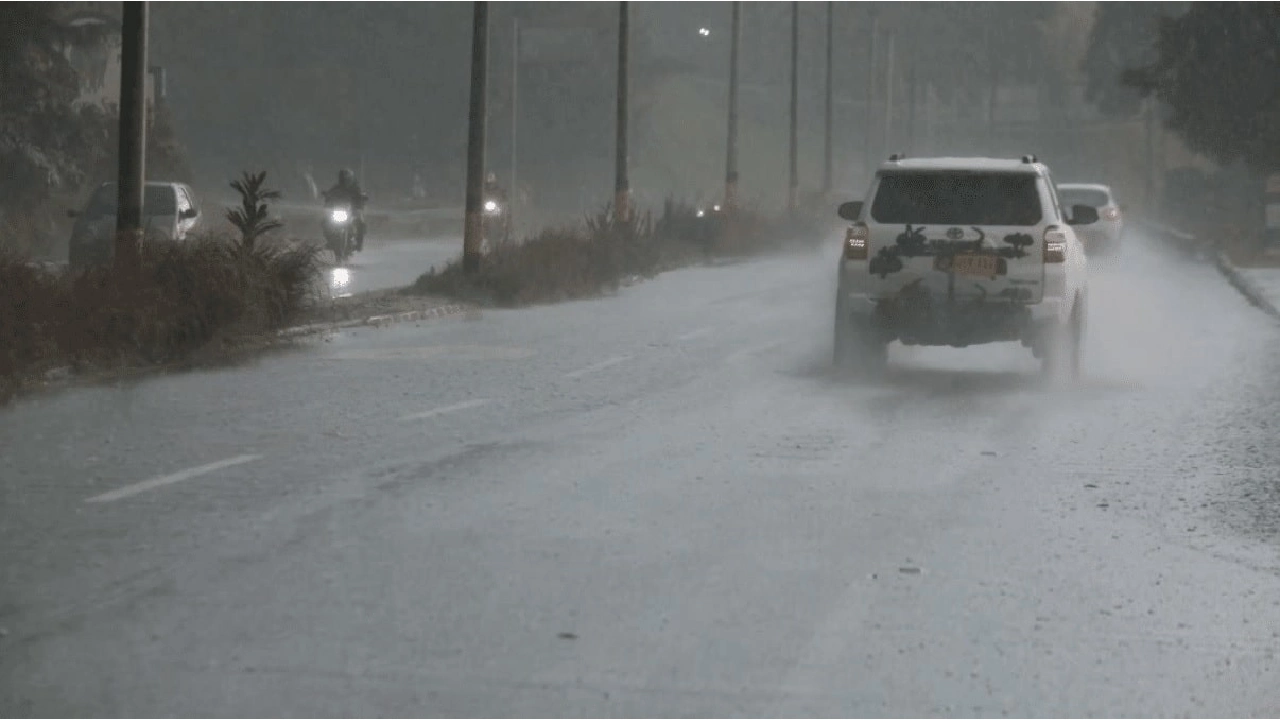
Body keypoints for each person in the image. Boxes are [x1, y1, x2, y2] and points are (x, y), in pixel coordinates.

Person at [324, 168, 368, 250]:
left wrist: (362, 200)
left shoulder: (355, 188)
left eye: (346, 178)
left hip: (353, 210)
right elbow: (329, 195)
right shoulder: (336, 188)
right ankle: (329, 240)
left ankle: (359, 243)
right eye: (342, 178)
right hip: (339, 210)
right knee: (325, 221)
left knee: (361, 222)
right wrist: (327, 196)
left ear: (350, 178)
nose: (344, 180)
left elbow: (361, 197)